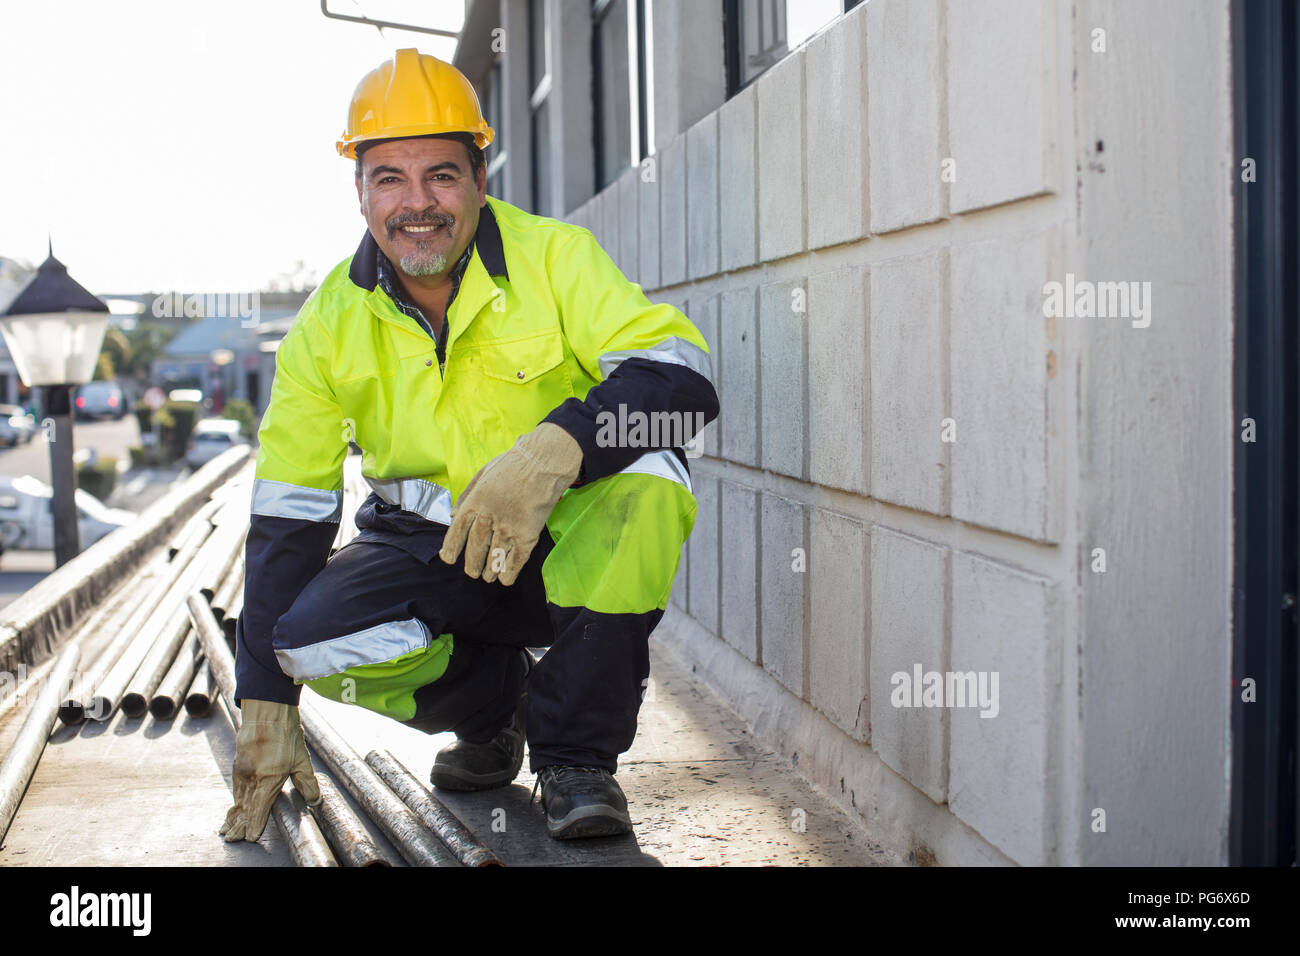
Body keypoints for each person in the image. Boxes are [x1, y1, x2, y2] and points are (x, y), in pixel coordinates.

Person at [220, 49, 718, 844]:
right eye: (390, 178)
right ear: (360, 192)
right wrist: (266, 704)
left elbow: (683, 384)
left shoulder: (555, 257)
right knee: (309, 645)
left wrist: (555, 451)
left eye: (441, 175)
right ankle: (502, 710)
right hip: (433, 555)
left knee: (650, 473)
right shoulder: (325, 329)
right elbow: (289, 513)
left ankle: (576, 758)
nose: (418, 204)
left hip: (563, 541)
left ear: (480, 180)